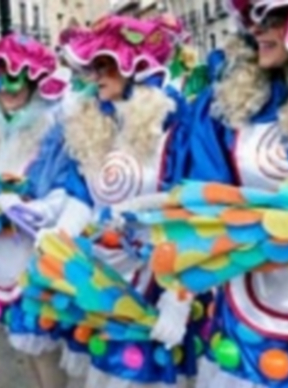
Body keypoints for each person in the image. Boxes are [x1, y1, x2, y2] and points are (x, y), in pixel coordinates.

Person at [50, 15, 206, 387]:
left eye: (103, 64)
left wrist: (179, 294)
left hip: (156, 277)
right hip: (100, 277)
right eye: (91, 66)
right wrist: (60, 235)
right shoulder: (93, 122)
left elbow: (193, 210)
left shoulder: (174, 125)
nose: (94, 75)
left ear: (133, 67)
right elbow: (82, 193)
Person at [187, 1, 288, 387]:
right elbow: (204, 200)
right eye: (252, 18)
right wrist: (182, 288)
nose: (257, 29)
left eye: (271, 18)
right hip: (255, 303)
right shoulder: (227, 112)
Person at [0, 33, 75, 388]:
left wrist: (33, 208)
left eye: (14, 80)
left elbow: (67, 189)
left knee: (41, 344)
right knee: (21, 340)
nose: (5, 90)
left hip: (35, 250)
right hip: (0, 248)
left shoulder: (53, 127)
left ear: (33, 81)